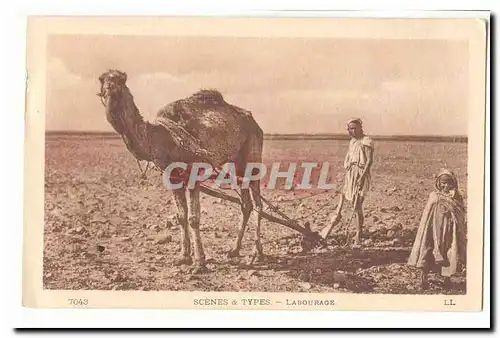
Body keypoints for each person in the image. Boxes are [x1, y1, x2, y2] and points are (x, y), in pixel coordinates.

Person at [407, 169, 467, 290]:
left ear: (453, 183)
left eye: (448, 183)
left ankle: (446, 279)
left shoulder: (456, 198)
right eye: (443, 183)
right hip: (433, 231)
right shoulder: (434, 196)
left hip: (449, 231)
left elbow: (461, 215)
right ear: (438, 183)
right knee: (427, 250)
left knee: (449, 252)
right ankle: (423, 278)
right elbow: (427, 216)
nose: (446, 186)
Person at [320, 118, 374, 246]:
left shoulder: (366, 141)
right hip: (351, 173)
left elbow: (369, 161)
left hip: (361, 173)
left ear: (361, 128)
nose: (352, 131)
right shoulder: (352, 142)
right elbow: (349, 158)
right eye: (350, 129)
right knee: (350, 202)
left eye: (354, 128)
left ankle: (358, 235)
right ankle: (354, 233)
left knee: (357, 205)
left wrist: (361, 178)